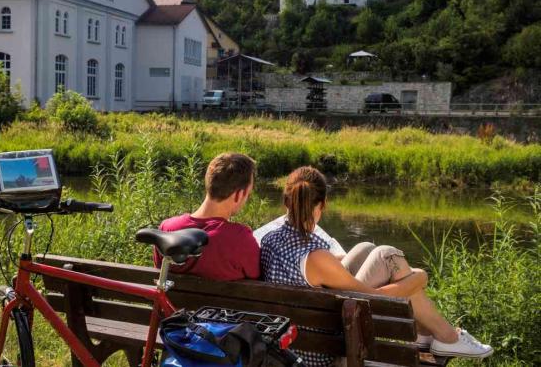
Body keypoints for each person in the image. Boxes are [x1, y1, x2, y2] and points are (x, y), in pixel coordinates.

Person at [260, 166, 493, 365]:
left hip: (292, 346)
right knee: (386, 254)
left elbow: (319, 272)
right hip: (322, 355)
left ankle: (427, 334)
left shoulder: (270, 240)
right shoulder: (316, 257)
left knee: (364, 248)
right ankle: (445, 337)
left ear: (285, 202)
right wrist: (418, 279)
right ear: (322, 205)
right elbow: (375, 299)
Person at [154, 153, 260, 281]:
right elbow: (258, 282)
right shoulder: (241, 239)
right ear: (239, 194)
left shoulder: (167, 228)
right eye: (248, 194)